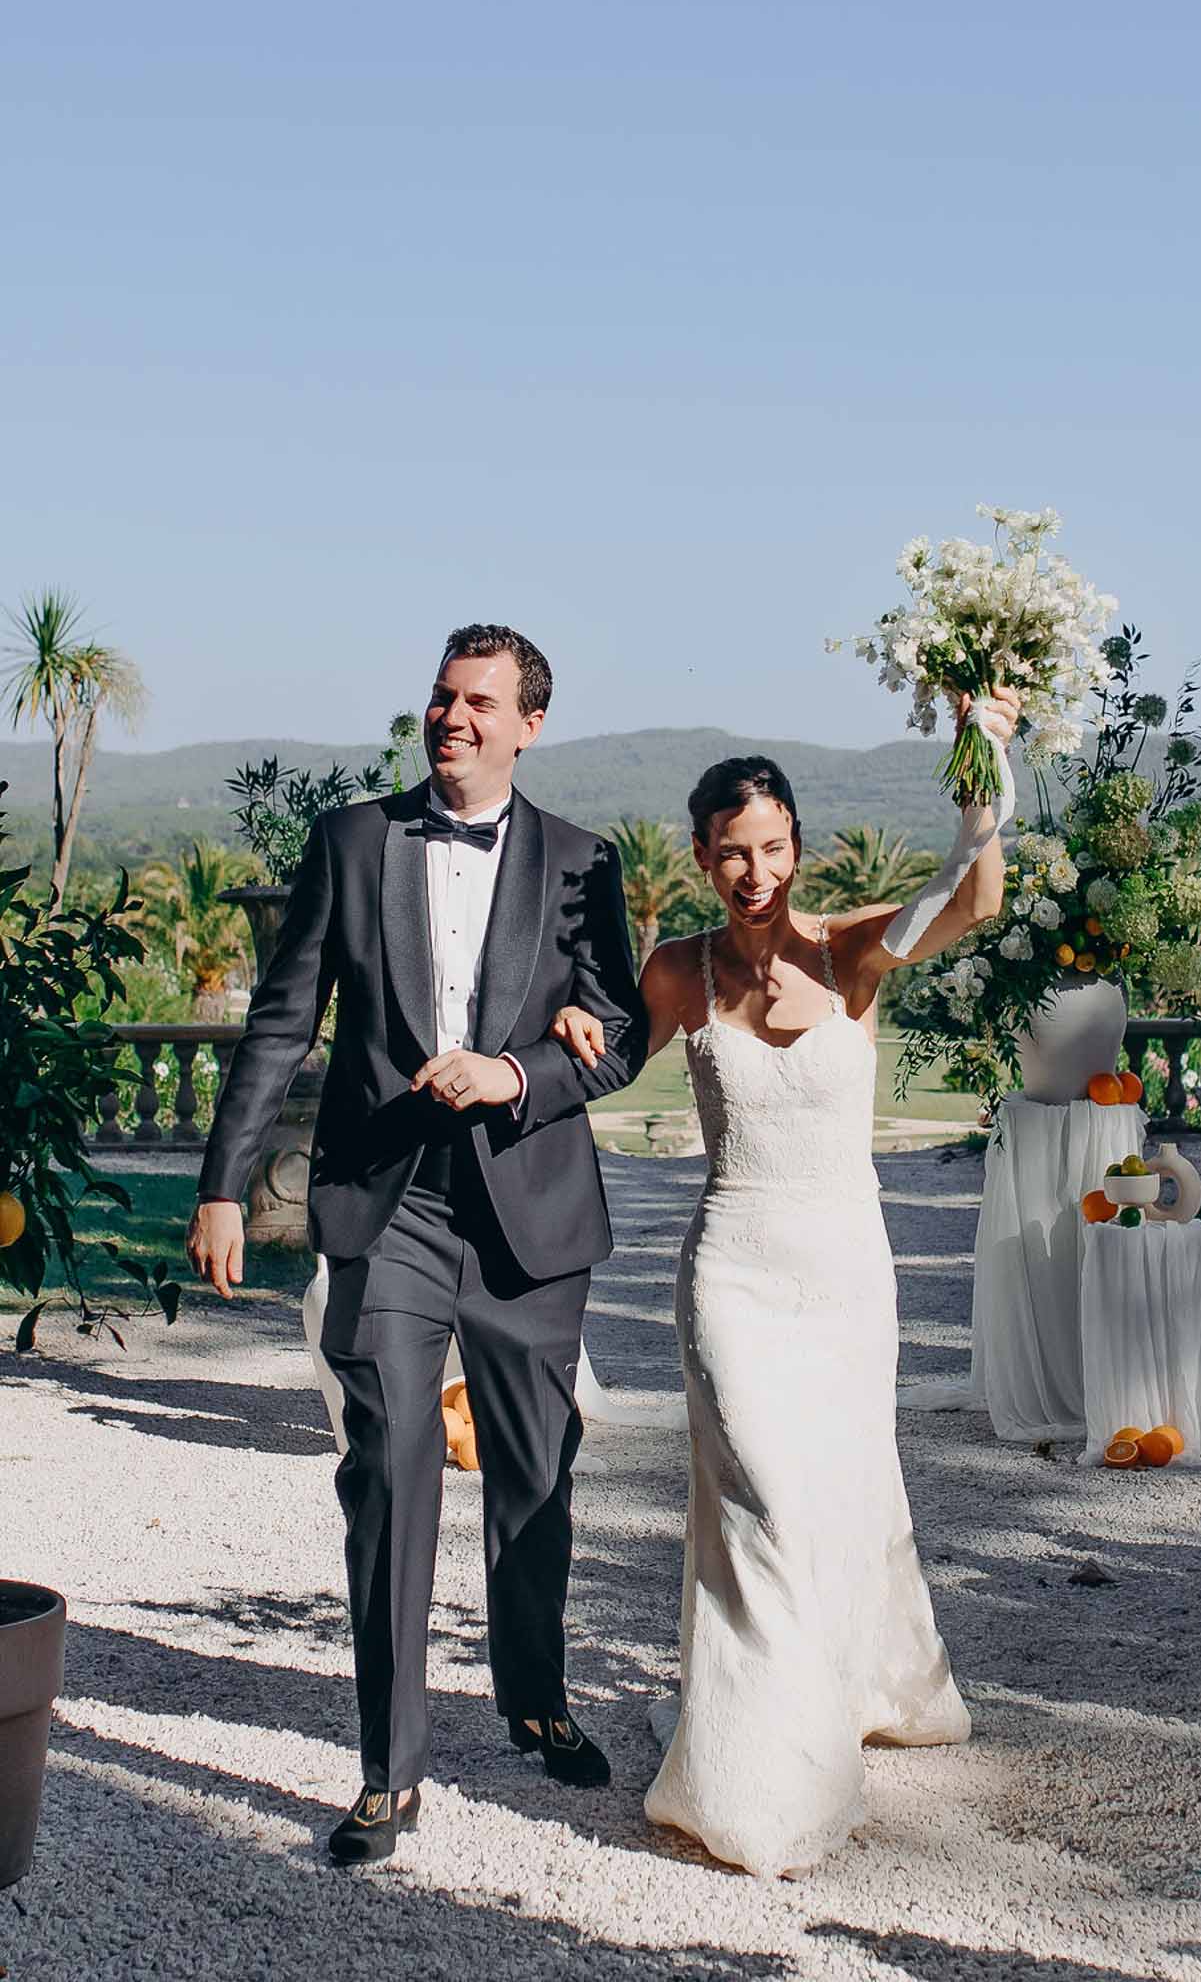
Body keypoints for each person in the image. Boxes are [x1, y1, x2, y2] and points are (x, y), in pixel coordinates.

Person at [186, 625, 647, 1864]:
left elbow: (621, 1029)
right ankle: (388, 1771)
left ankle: (535, 1696)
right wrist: (223, 1183)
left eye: (479, 701)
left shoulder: (581, 859)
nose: (452, 716)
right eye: (443, 696)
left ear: (529, 724)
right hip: (386, 1205)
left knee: (534, 1471)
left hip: (529, 1213)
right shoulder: (350, 840)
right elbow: (282, 1020)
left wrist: (517, 1071)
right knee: (389, 1469)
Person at [550, 689, 1020, 1877]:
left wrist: (984, 765)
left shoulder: (850, 949)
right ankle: (761, 1770)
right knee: (759, 1497)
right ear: (700, 855)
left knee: (841, 1489)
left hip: (846, 1270)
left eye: (770, 847)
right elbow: (600, 1060)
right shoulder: (678, 969)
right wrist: (558, 1024)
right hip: (733, 1270)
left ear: (797, 846)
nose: (752, 871)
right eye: (729, 851)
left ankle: (857, 1685)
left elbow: (974, 897)